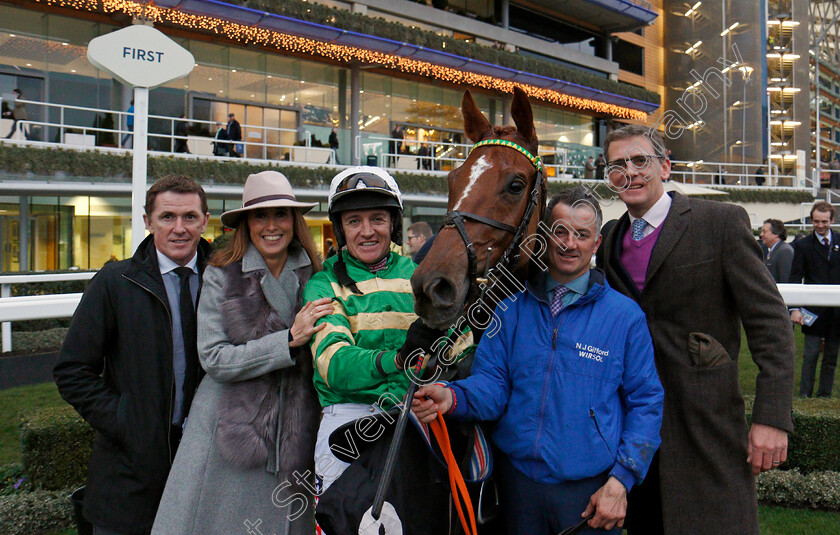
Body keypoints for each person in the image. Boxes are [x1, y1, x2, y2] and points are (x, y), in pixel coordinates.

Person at [413, 187, 664, 535]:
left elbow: (646, 404)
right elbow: (492, 387)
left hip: (589, 493)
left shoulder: (624, 318)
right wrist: (452, 397)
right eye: (560, 231)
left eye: (582, 234)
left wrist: (621, 480)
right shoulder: (509, 311)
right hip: (517, 489)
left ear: (597, 242)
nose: (569, 243)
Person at [598, 125, 794, 535]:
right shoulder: (608, 239)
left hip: (707, 425)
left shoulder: (719, 222)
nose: (629, 172)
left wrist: (772, 417)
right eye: (617, 166)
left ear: (665, 166)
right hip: (635, 428)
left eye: (640, 161)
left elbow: (770, 321)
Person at [151, 171, 333, 535]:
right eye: (260, 216)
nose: (271, 226)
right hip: (232, 432)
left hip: (295, 429)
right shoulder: (222, 274)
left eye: (281, 214)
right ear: (246, 223)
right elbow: (215, 358)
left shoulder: (317, 274)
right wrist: (286, 341)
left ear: (294, 221)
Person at [54, 175, 212, 535]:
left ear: (205, 221)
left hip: (206, 468)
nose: (179, 228)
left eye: (189, 217)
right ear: (147, 221)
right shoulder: (115, 281)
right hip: (129, 477)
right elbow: (72, 370)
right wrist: (126, 421)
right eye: (167, 217)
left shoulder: (227, 277)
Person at [303, 166, 470, 494]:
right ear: (341, 229)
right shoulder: (324, 284)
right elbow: (334, 364)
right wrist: (397, 360)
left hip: (416, 414)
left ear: (392, 223)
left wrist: (441, 376)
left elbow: (462, 348)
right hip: (348, 422)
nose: (367, 231)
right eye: (354, 221)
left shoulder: (421, 275)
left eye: (377, 219)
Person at [789, 201, 840, 398]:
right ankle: (805, 396)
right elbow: (795, 277)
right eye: (816, 221)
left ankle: (824, 397)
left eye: (824, 221)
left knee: (831, 357)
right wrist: (794, 308)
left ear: (832, 220)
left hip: (836, 312)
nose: (820, 225)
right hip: (812, 311)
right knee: (810, 356)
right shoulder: (802, 245)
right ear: (811, 221)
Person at [760, 218, 794, 284]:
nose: (761, 234)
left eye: (764, 232)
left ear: (776, 234)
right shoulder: (775, 250)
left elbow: (785, 280)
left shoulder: (785, 251)